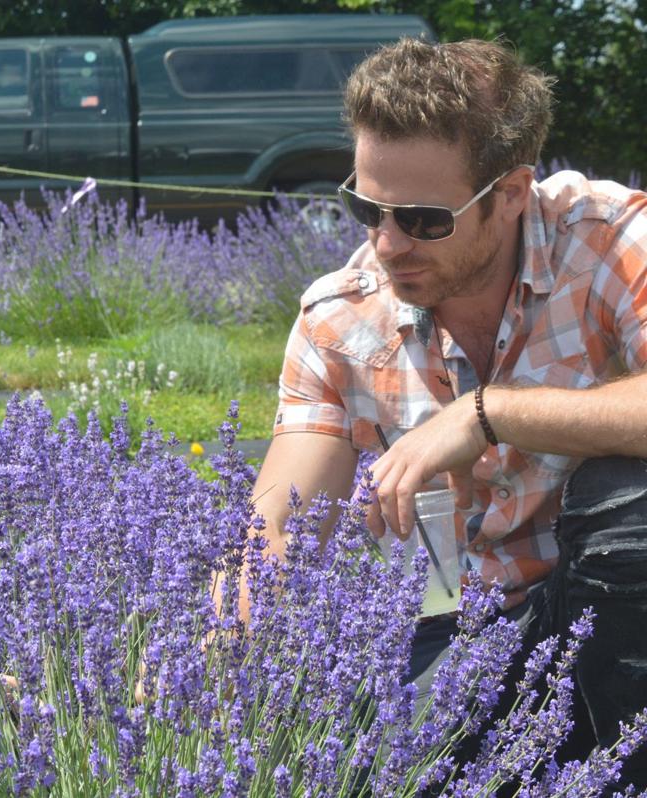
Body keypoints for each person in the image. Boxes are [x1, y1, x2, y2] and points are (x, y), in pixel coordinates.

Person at [247, 38, 647, 781]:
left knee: (632, 508)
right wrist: (213, 654)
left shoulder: (608, 239)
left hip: (607, 600)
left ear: (513, 191)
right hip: (456, 626)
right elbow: (280, 530)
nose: (386, 242)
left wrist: (489, 413)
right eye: (366, 206)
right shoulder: (340, 320)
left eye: (424, 218)